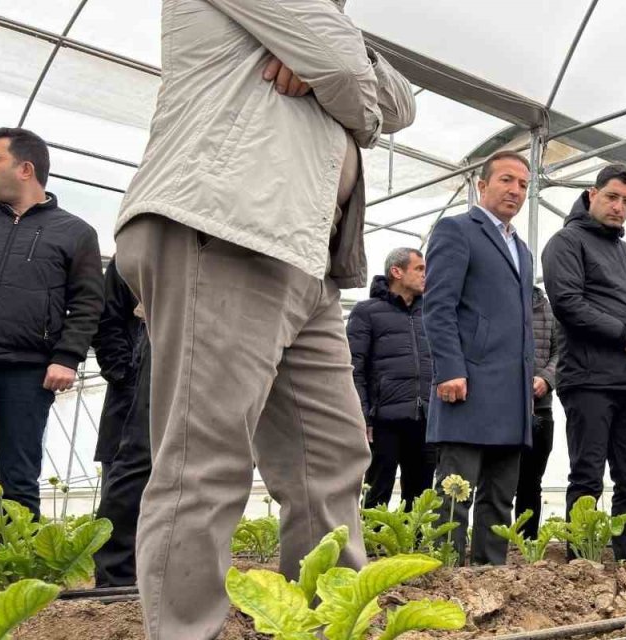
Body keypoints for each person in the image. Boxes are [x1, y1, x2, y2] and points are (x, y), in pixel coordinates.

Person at [112, 1, 415, 635]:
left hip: (306, 254)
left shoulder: (323, 17)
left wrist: (336, 67)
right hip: (227, 227)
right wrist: (339, 71)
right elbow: (350, 78)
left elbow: (400, 103)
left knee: (330, 461)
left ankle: (325, 624)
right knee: (205, 458)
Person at [0, 127, 103, 517]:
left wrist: (67, 357)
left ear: (25, 168)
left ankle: (15, 569)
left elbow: (87, 302)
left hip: (29, 373)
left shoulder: (76, 233)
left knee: (20, 477)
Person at [541, 163, 626, 560]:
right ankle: (583, 561)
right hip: (588, 380)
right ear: (592, 194)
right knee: (587, 475)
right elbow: (568, 304)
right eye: (612, 197)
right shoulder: (566, 242)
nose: (619, 207)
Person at [425, 150, 535, 566]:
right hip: (468, 385)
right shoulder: (457, 230)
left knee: (500, 495)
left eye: (523, 185)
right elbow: (438, 306)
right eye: (507, 180)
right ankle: (444, 575)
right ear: (482, 185)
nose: (516, 191)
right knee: (456, 491)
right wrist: (450, 369)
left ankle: (491, 574)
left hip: (511, 391)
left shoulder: (521, 250)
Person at [347, 247, 434, 510]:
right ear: (397, 272)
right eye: (419, 268)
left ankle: (414, 548)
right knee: (378, 489)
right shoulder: (367, 312)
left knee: (420, 496)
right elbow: (354, 367)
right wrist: (363, 416)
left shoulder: (431, 313)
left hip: (427, 417)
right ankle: (374, 548)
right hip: (384, 419)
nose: (425, 275)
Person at [92, 257, 149, 586]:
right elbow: (107, 319)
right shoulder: (130, 256)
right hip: (130, 391)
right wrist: (125, 374)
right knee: (127, 476)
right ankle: (115, 582)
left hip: (167, 385)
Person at [514, 286, 560, 539]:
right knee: (498, 480)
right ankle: (495, 544)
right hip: (504, 408)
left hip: (540, 408)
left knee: (531, 482)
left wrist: (546, 378)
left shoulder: (547, 307)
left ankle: (526, 542)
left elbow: (560, 351)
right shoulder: (497, 302)